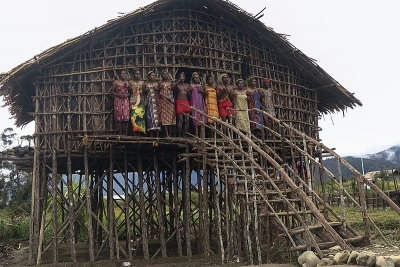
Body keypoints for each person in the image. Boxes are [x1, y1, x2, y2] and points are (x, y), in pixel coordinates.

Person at [110, 70, 130, 135]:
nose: (124, 75)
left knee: (126, 116)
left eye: (125, 74)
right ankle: (120, 133)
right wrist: (118, 95)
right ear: (119, 75)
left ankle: (126, 134)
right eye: (122, 73)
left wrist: (127, 95)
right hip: (118, 100)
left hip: (125, 100)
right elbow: (112, 91)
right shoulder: (115, 82)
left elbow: (130, 92)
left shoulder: (127, 82)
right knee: (119, 116)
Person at [173, 72, 192, 137]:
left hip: (186, 102)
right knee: (180, 119)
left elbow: (189, 96)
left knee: (187, 120)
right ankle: (180, 135)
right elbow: (172, 88)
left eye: (183, 76)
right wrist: (178, 81)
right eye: (180, 76)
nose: (182, 77)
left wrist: (188, 93)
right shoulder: (177, 85)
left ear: (185, 77)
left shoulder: (187, 85)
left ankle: (185, 135)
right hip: (179, 102)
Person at [158, 70, 176, 137]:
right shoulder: (160, 83)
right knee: (164, 117)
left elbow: (174, 90)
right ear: (161, 76)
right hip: (163, 101)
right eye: (164, 74)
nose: (165, 75)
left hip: (170, 102)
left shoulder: (170, 83)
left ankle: (170, 134)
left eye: (166, 74)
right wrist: (160, 88)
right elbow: (157, 91)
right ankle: (167, 134)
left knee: (170, 117)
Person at [144, 71, 161, 137]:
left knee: (157, 118)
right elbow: (144, 93)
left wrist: (157, 89)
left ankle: (157, 136)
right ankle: (151, 136)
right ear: (148, 77)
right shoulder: (146, 84)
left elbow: (160, 92)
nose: (153, 77)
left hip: (156, 101)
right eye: (152, 75)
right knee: (150, 117)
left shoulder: (157, 84)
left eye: (154, 75)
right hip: (149, 102)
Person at [129, 68, 146, 135]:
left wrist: (145, 100)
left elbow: (144, 92)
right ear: (133, 75)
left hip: (141, 101)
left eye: (139, 74)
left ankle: (139, 134)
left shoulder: (142, 82)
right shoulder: (130, 82)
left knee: (141, 118)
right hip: (133, 101)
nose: (138, 75)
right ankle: (135, 134)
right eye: (136, 74)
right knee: (133, 117)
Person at [190, 72, 207, 137]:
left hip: (200, 102)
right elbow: (188, 93)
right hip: (194, 102)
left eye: (197, 78)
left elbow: (204, 94)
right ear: (193, 79)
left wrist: (202, 91)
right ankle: (196, 133)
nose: (196, 79)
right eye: (195, 78)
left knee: (201, 117)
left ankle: (201, 134)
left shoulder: (200, 86)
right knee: (195, 116)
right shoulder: (191, 86)